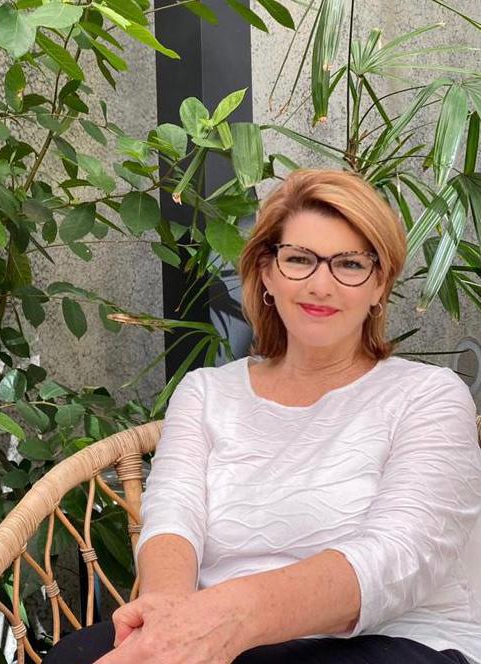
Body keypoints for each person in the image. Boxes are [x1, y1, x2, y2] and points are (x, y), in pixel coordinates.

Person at [43, 169, 481, 664]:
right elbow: (173, 517)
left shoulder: (429, 396)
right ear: (268, 273)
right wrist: (168, 619)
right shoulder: (207, 392)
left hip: (393, 640)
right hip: (213, 629)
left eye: (350, 264)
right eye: (299, 259)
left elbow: (398, 556)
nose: (321, 284)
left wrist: (227, 620)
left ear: (381, 283)